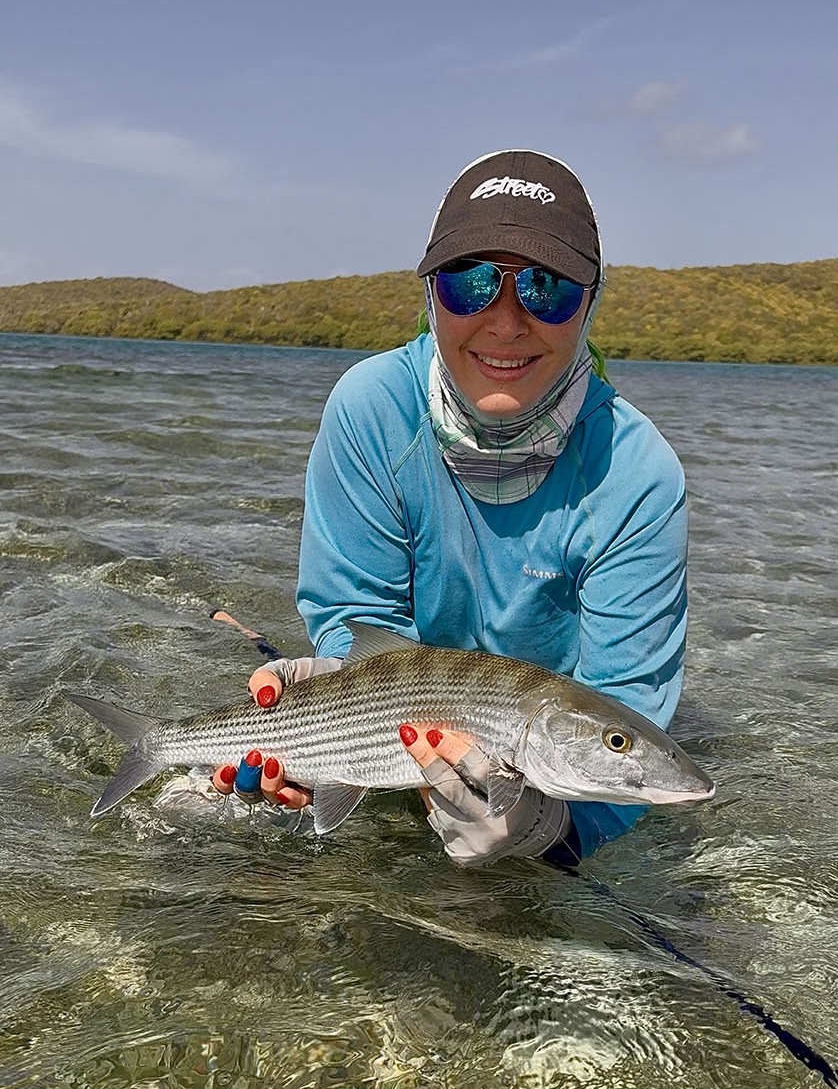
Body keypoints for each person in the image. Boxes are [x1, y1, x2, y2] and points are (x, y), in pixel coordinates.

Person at [211, 148, 688, 869]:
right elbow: (357, 618)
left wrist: (552, 834)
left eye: (546, 288)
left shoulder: (638, 474)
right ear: (431, 294)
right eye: (471, 284)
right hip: (393, 721)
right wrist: (329, 700)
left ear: (591, 301)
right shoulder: (371, 408)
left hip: (544, 744)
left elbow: (627, 711)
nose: (506, 323)